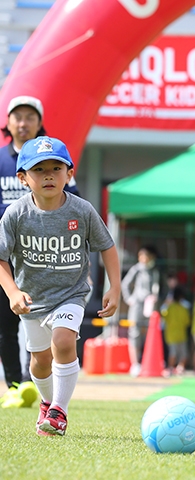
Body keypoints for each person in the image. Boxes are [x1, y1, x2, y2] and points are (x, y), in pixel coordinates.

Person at [0, 136, 120, 435]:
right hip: (33, 300)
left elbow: (107, 247)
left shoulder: (81, 210)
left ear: (70, 173)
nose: (49, 175)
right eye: (39, 170)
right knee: (39, 363)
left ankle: (59, 412)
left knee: (64, 342)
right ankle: (47, 401)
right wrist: (13, 291)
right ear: (22, 178)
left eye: (56, 168)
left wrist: (114, 287)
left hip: (71, 294)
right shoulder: (15, 214)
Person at [0, 96, 80, 407]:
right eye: (17, 117)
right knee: (6, 323)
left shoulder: (55, 161)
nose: (23, 123)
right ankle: (15, 386)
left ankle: (44, 385)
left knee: (46, 329)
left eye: (29, 117)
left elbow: (74, 204)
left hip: (45, 257)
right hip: (7, 256)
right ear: (8, 123)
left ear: (39, 122)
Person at [121, 245, 165, 377]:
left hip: (151, 305)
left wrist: (159, 301)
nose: (143, 258)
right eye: (141, 255)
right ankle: (135, 364)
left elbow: (164, 288)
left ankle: (148, 362)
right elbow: (125, 284)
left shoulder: (156, 271)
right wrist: (130, 299)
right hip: (137, 305)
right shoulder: (136, 269)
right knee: (134, 333)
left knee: (150, 333)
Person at [161, 286, 190, 376]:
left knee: (172, 353)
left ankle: (170, 368)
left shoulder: (169, 308)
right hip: (181, 334)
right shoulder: (184, 308)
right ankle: (180, 368)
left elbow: (163, 316)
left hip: (171, 334)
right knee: (183, 353)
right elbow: (187, 321)